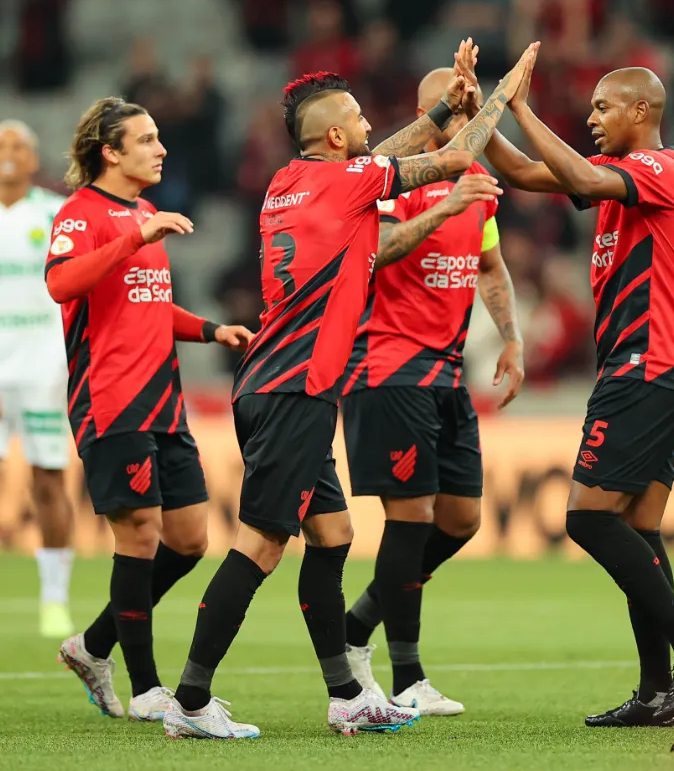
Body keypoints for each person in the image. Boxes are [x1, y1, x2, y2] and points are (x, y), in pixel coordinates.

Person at [164, 44, 537, 740]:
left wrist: (443, 107)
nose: (371, 125)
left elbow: (390, 151)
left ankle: (346, 695)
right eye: (359, 118)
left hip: (278, 382)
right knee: (260, 547)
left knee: (332, 535)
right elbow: (455, 159)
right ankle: (190, 701)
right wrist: (501, 95)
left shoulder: (289, 181)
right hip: (294, 387)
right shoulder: (348, 182)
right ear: (336, 136)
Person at [456, 41, 674, 726]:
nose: (592, 117)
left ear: (642, 110)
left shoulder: (662, 169)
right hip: (653, 367)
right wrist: (482, 112)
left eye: (603, 107)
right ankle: (655, 692)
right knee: (639, 529)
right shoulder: (615, 177)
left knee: (586, 517)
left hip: (649, 365)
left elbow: (574, 171)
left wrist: (521, 105)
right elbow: (524, 171)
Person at [49, 97, 253, 723]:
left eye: (158, 137)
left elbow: (147, 303)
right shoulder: (81, 214)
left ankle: (92, 646)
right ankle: (145, 688)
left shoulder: (143, 213)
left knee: (189, 541)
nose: (161, 149)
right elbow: (61, 283)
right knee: (138, 533)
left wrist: (210, 329)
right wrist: (134, 237)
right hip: (110, 401)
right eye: (145, 140)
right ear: (110, 152)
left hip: (164, 402)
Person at [340, 56, 525, 715]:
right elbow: (377, 251)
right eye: (457, 106)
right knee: (411, 517)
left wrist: (511, 337)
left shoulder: (478, 184)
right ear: (428, 115)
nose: (469, 117)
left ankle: (356, 624)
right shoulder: (392, 181)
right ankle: (407, 677)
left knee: (460, 519)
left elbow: (490, 266)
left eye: (474, 106)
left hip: (445, 373)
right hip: (387, 367)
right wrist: (446, 202)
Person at [0, 120, 74, 639]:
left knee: (48, 478)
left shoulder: (56, 215)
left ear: (33, 158)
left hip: (42, 364)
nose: (8, 151)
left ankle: (54, 599)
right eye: (1, 144)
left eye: (18, 145)